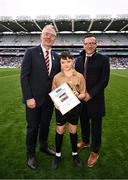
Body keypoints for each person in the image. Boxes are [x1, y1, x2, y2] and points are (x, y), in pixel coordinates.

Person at [20, 24, 60, 170]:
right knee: (32, 127)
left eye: (52, 35)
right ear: (41, 36)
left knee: (45, 125)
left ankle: (43, 146)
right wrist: (28, 97)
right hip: (34, 100)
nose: (49, 37)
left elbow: (59, 80)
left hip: (50, 101)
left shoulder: (57, 57)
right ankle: (30, 154)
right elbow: (24, 77)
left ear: (55, 39)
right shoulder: (30, 52)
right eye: (47, 34)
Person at [75, 33, 110, 167]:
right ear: (83, 45)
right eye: (87, 43)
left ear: (96, 45)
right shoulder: (78, 60)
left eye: (92, 43)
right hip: (80, 99)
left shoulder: (103, 59)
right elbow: (76, 79)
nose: (89, 46)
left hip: (95, 99)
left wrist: (90, 94)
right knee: (83, 121)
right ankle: (85, 141)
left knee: (96, 126)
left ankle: (95, 151)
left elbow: (104, 80)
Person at [51, 51, 86, 170]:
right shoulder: (56, 77)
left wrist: (77, 95)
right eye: (63, 62)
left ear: (73, 61)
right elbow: (54, 94)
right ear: (60, 63)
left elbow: (83, 94)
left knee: (73, 130)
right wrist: (56, 103)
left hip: (75, 108)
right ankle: (57, 155)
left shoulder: (79, 76)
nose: (66, 64)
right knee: (60, 130)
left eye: (69, 61)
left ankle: (75, 154)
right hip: (61, 109)